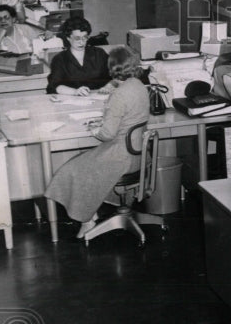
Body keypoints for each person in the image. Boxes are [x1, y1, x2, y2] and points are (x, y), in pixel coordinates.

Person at [44, 46, 151, 239]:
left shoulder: (118, 94)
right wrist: (107, 120)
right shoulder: (138, 85)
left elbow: (107, 135)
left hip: (120, 157)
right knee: (83, 163)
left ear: (112, 68)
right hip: (139, 155)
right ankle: (90, 213)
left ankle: (87, 219)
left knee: (71, 169)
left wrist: (95, 129)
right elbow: (130, 118)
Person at [46, 16, 113, 95]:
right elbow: (54, 86)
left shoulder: (99, 54)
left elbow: (115, 75)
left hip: (100, 98)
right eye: (77, 38)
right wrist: (75, 92)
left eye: (85, 37)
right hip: (72, 101)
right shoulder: (60, 59)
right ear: (68, 38)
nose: (81, 42)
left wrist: (109, 86)